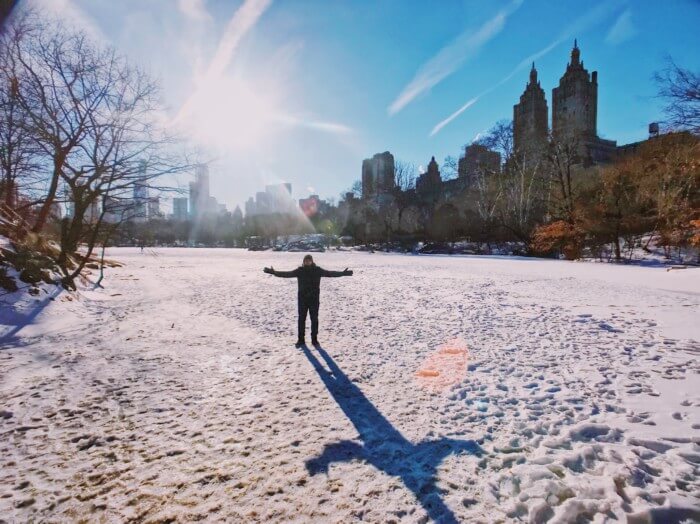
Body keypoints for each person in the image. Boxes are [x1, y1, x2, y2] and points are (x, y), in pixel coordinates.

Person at [264, 254, 353, 348]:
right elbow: (287, 274)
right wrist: (274, 272)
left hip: (314, 299)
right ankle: (301, 339)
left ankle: (314, 339)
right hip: (302, 299)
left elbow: (330, 273)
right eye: (305, 260)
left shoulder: (317, 270)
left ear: (312, 261)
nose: (307, 262)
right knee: (301, 319)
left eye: (309, 260)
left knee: (314, 319)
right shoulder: (300, 271)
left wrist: (342, 273)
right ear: (303, 261)